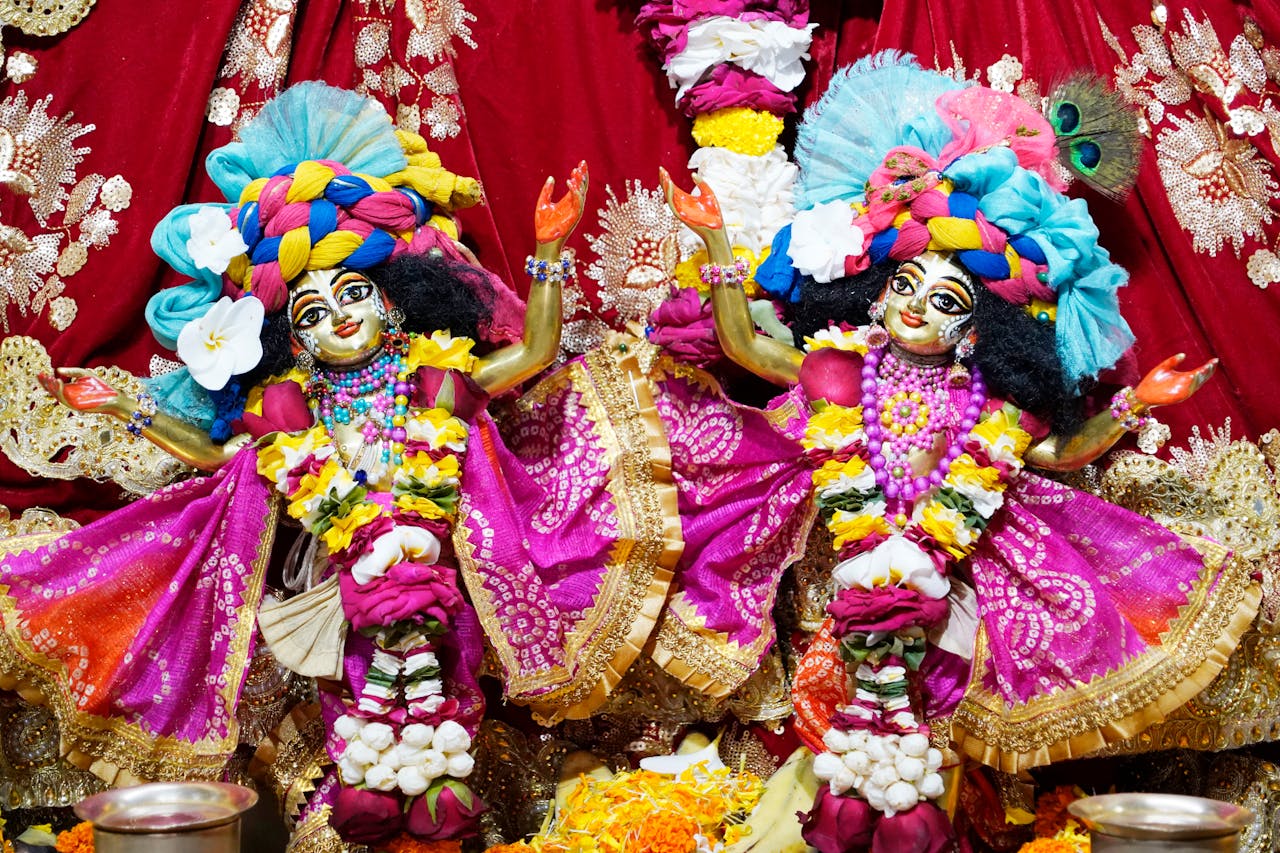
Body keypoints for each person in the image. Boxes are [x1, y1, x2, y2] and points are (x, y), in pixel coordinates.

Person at [660, 52, 1257, 852]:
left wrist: (1132, 405)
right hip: (845, 576)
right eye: (903, 286)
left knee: (926, 753)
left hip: (950, 585)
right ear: (877, 289)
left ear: (975, 330)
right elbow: (740, 340)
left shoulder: (991, 406)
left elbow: (1062, 453)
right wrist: (715, 239)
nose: (911, 308)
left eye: (942, 300)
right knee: (840, 752)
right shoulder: (840, 367)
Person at [6, 81, 587, 847]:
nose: (339, 315)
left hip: (443, 584)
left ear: (395, 303)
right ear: (295, 339)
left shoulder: (436, 379)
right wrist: (123, 408)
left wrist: (547, 248)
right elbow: (218, 456)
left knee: (447, 751)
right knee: (361, 757)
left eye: (353, 293)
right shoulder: (292, 408)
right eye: (311, 311)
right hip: (334, 598)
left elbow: (538, 350)